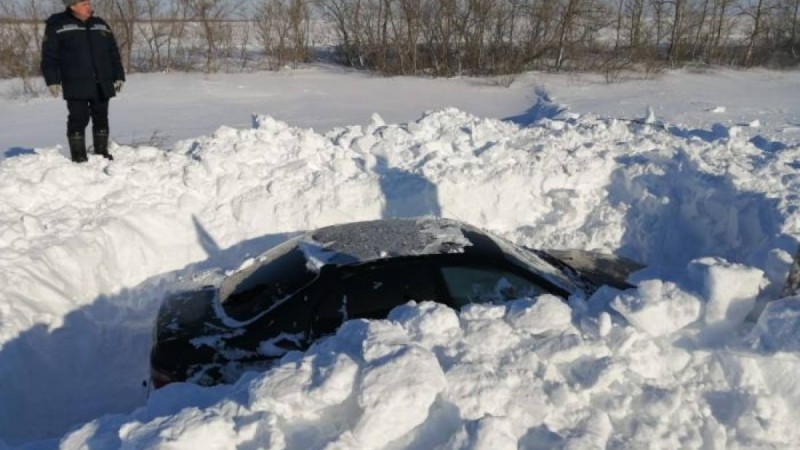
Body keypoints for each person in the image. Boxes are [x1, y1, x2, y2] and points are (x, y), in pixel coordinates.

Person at [41, 0, 125, 163]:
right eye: (84, 4)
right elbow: (49, 56)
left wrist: (119, 75)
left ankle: (101, 152)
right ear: (73, 6)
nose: (89, 6)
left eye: (89, 3)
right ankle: (78, 155)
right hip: (75, 82)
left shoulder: (99, 24)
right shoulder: (58, 25)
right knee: (79, 117)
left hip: (101, 81)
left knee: (101, 116)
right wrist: (52, 80)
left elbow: (113, 53)